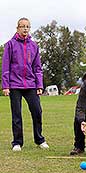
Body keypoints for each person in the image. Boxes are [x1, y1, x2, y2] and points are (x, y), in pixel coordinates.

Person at [2, 17, 49, 151]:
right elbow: (5, 67)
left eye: (27, 26)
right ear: (17, 28)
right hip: (14, 85)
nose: (25, 29)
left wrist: (39, 85)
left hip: (31, 85)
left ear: (29, 28)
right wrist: (6, 86)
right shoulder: (10, 45)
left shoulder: (34, 45)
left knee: (37, 111)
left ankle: (39, 139)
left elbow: (37, 68)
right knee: (17, 114)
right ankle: (17, 142)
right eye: (22, 26)